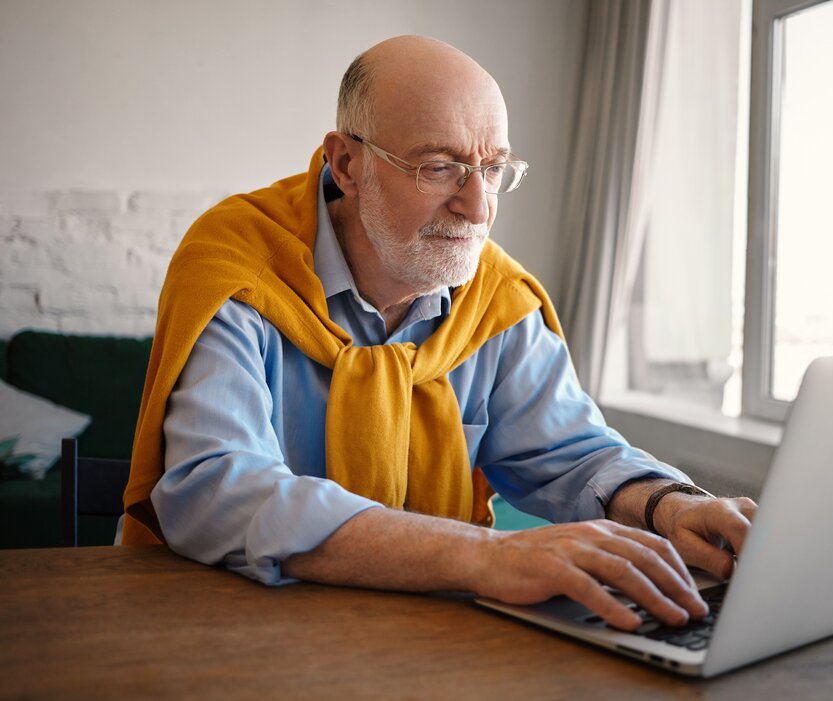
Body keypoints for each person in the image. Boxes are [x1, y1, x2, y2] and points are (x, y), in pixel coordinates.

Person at [121, 35, 756, 632]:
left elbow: (575, 456)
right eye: (439, 167)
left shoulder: (497, 299)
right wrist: (488, 557)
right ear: (347, 162)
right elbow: (217, 488)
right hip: (231, 630)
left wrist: (671, 506)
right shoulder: (236, 265)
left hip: (431, 638)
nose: (478, 207)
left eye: (494, 168)